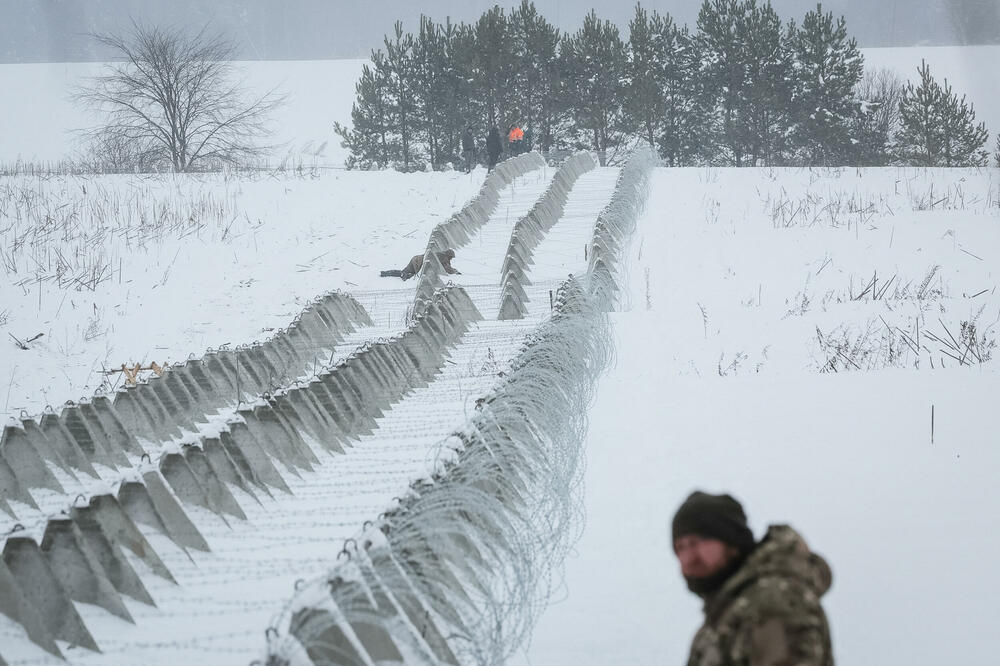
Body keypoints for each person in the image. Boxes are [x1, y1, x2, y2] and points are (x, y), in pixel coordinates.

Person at [672, 491, 834, 666]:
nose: (689, 558)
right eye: (680, 548)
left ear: (730, 539)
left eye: (696, 543)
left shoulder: (771, 603)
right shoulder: (723, 619)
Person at [380, 248, 461, 281]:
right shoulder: (444, 257)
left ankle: (385, 273)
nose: (451, 259)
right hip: (418, 261)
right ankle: (402, 275)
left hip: (417, 259)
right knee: (411, 276)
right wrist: (455, 272)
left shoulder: (441, 256)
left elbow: (447, 267)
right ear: (448, 255)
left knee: (404, 272)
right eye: (451, 257)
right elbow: (447, 268)